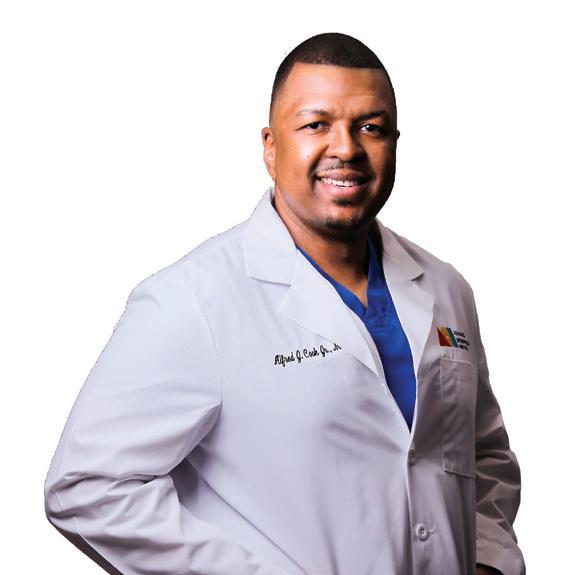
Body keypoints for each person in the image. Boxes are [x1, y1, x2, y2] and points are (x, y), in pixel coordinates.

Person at [44, 32, 525, 575]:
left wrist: (487, 562)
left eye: (370, 127)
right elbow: (87, 487)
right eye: (316, 124)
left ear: (395, 142)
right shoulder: (193, 300)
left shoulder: (445, 287)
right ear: (271, 147)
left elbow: (483, 455)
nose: (346, 148)